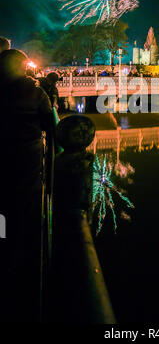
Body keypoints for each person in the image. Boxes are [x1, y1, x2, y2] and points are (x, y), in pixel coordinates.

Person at [0, 49, 54, 322]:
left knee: (4, 205)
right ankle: (18, 251)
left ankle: (3, 237)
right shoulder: (34, 92)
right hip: (26, 157)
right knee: (25, 201)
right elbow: (51, 124)